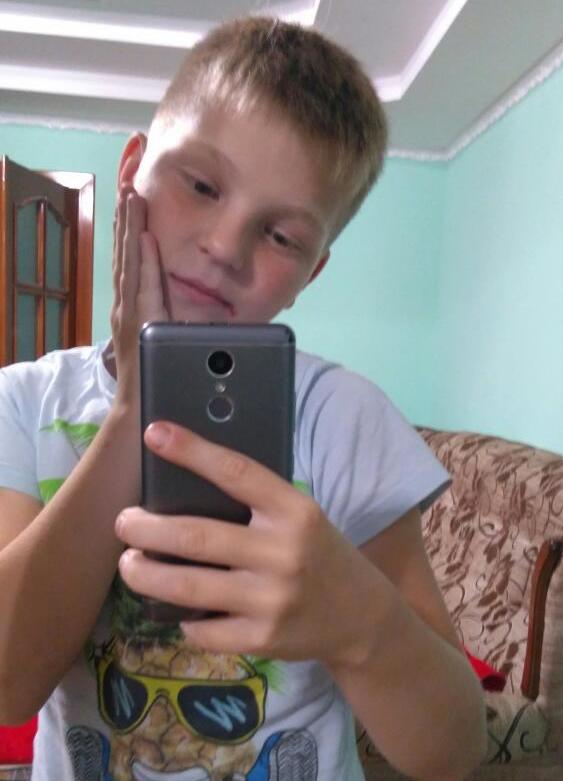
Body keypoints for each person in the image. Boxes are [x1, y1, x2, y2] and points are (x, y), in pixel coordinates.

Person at [0, 16, 486, 781]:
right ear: (131, 172)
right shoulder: (23, 403)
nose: (225, 247)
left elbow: (452, 751)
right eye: (200, 186)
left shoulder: (342, 418)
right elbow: (8, 684)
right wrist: (132, 411)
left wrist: (359, 619)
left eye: (281, 236)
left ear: (309, 273)